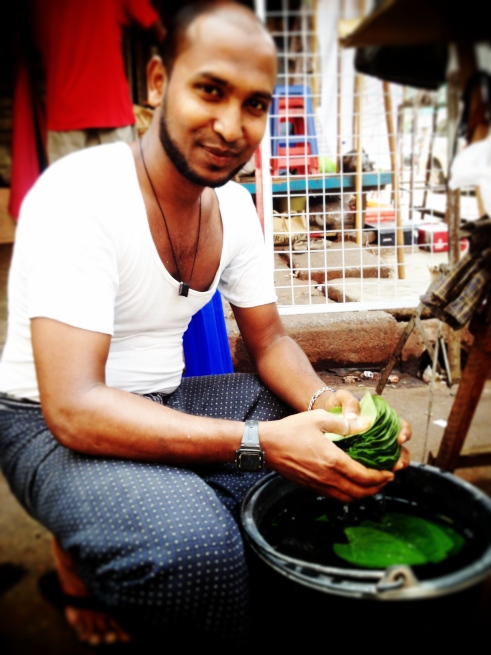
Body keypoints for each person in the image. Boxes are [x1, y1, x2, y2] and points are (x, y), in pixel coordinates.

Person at [0, 1, 411, 650]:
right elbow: (74, 408)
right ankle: (87, 566)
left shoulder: (235, 210)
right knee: (195, 548)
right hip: (45, 426)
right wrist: (259, 441)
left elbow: (269, 340)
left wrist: (326, 404)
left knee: (330, 464)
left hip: (168, 400)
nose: (230, 125)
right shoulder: (79, 194)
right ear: (159, 83)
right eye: (210, 90)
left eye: (253, 104)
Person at [29, 0, 166, 164]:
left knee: (67, 187)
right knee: (121, 184)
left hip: (65, 111)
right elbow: (157, 29)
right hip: (111, 109)